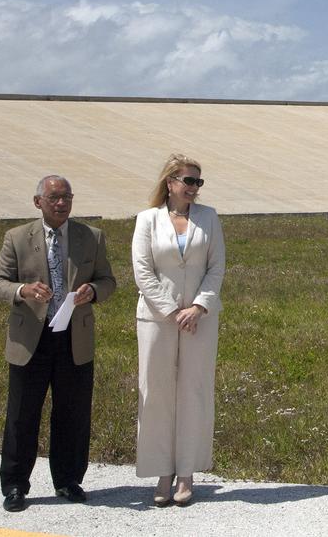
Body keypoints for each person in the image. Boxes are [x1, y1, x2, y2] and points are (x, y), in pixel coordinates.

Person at [0, 175, 116, 512]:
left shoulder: (91, 237)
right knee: (22, 414)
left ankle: (68, 480)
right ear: (38, 202)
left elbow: (108, 280)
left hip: (74, 338)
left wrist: (94, 291)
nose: (62, 204)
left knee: (73, 413)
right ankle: (15, 485)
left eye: (67, 197)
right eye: (54, 198)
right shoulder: (17, 237)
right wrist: (23, 290)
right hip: (31, 339)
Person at [132, 154, 226, 507]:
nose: (193, 188)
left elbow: (216, 267)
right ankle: (162, 472)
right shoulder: (147, 220)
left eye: (198, 182)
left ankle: (186, 473)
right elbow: (143, 271)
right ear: (170, 182)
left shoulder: (209, 218)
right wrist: (172, 311)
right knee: (155, 393)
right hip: (157, 319)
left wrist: (198, 307)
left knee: (194, 391)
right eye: (188, 181)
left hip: (200, 320)